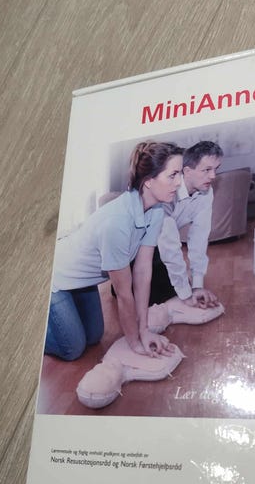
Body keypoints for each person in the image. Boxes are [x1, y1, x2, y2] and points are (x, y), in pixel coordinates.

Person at [45, 141, 183, 361]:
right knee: (73, 348)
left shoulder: (156, 210)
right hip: (55, 277)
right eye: (173, 175)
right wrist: (134, 342)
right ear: (149, 181)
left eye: (180, 174)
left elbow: (142, 272)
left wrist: (144, 330)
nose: (179, 182)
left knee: (94, 337)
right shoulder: (117, 223)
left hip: (83, 282)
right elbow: (124, 294)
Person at [151, 141, 223, 309]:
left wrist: (197, 285)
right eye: (207, 170)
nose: (213, 176)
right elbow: (169, 242)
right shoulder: (168, 189)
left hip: (159, 244)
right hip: (137, 248)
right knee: (164, 296)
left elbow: (199, 238)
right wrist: (186, 294)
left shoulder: (206, 192)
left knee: (178, 289)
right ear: (187, 171)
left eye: (216, 169)